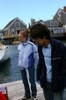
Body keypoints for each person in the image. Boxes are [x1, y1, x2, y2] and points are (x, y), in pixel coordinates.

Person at [30, 23, 66, 100]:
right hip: (45, 82)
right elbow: (41, 62)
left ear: (44, 36)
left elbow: (64, 66)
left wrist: (61, 80)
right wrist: (39, 77)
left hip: (57, 83)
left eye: (37, 39)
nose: (35, 42)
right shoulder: (40, 47)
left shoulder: (60, 46)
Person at [18, 29, 39, 100]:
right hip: (22, 67)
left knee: (32, 81)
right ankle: (27, 95)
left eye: (20, 37)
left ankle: (34, 95)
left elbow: (36, 58)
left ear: (24, 37)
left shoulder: (32, 46)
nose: (19, 38)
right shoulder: (19, 46)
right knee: (24, 81)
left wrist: (34, 67)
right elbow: (20, 56)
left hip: (30, 67)